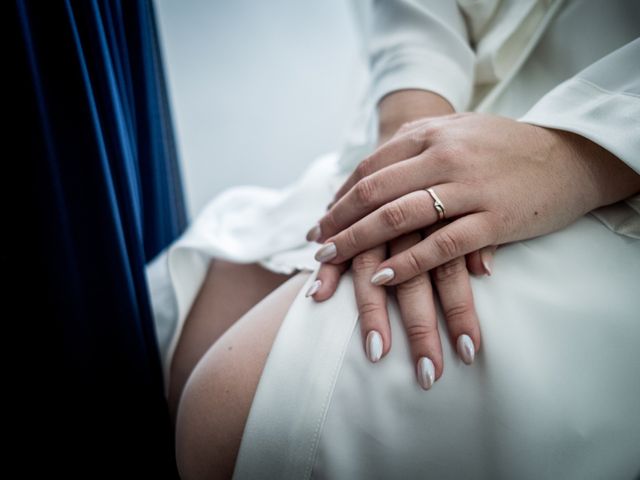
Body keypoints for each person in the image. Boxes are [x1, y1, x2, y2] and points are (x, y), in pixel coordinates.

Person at [145, 0, 640, 478]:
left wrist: (573, 155)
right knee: (181, 341)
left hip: (617, 159)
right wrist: (409, 133)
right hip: (439, 110)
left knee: (233, 416)